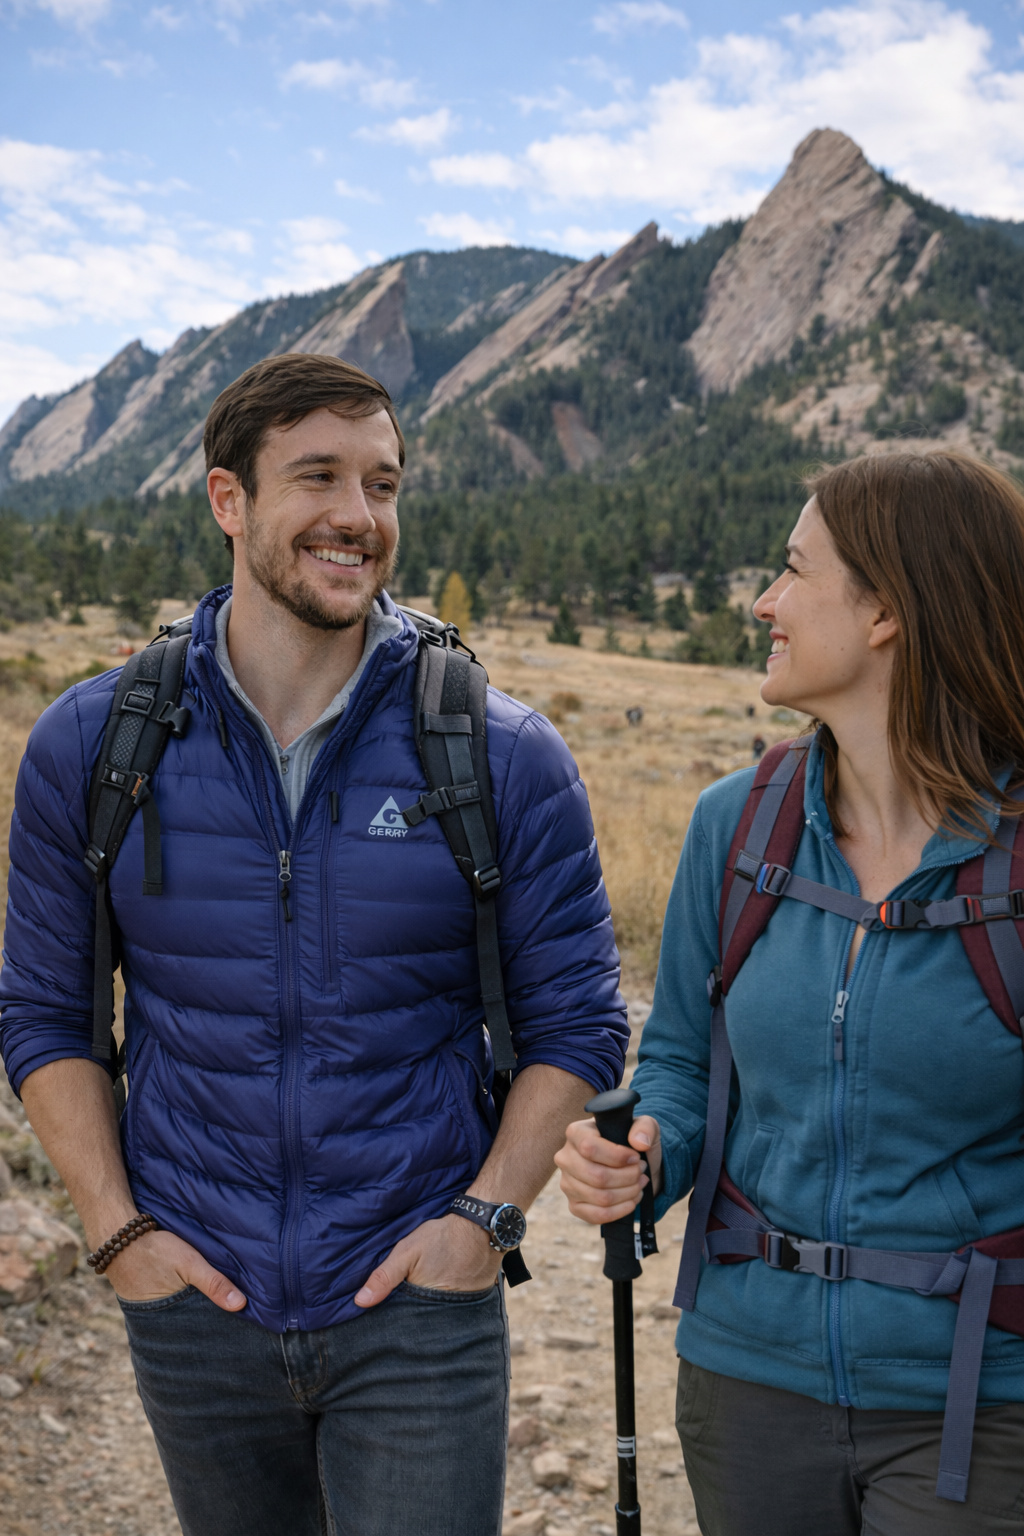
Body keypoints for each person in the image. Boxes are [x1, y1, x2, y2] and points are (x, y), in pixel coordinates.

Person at [0, 353, 628, 1536]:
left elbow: (580, 1021)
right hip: (194, 1303)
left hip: (417, 1310)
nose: (360, 516)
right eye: (320, 478)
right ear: (228, 501)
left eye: (383, 484)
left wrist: (484, 1222)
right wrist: (118, 1233)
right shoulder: (94, 746)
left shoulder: (500, 754)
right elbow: (43, 1013)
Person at [556, 451, 1024, 1535]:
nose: (763, 602)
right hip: (747, 1376)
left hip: (976, 1403)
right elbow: (676, 1055)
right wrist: (648, 1153)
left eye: (793, 570)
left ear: (887, 613)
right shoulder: (737, 825)